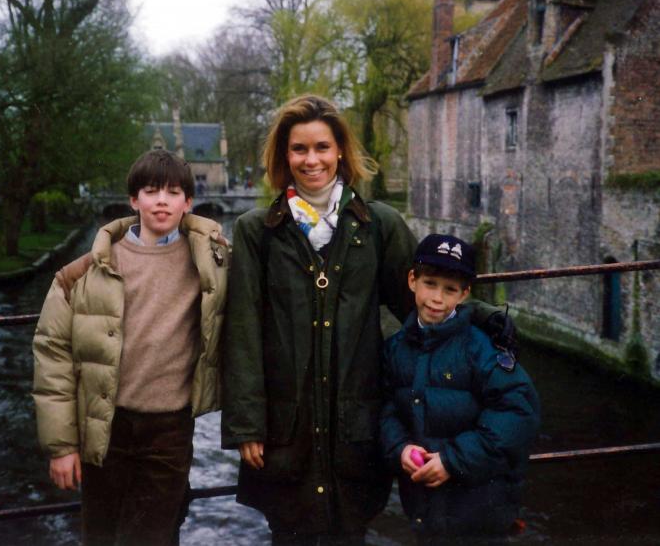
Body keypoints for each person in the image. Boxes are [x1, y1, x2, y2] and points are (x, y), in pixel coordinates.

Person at [221, 94, 517, 545]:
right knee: (288, 528)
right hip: (287, 422)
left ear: (340, 151)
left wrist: (486, 318)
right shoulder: (256, 230)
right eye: (299, 149)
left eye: (322, 147)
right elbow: (242, 330)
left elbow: (418, 300)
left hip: (355, 417)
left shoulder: (377, 224)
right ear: (285, 155)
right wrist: (246, 425)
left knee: (350, 527)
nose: (311, 159)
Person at [32, 149, 228, 546]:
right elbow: (53, 355)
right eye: (150, 191)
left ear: (188, 203)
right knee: (101, 535)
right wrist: (62, 446)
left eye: (173, 192)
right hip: (105, 426)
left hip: (170, 430)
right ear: (133, 199)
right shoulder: (85, 272)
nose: (161, 200)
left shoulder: (214, 263)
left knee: (153, 536)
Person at [380, 234, 540, 543]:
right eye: (430, 284)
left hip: (479, 503)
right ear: (412, 280)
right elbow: (388, 409)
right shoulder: (396, 348)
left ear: (464, 294)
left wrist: (453, 461)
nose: (437, 299)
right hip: (425, 502)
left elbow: (519, 410)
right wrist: (400, 448)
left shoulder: (478, 348)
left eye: (450, 289)